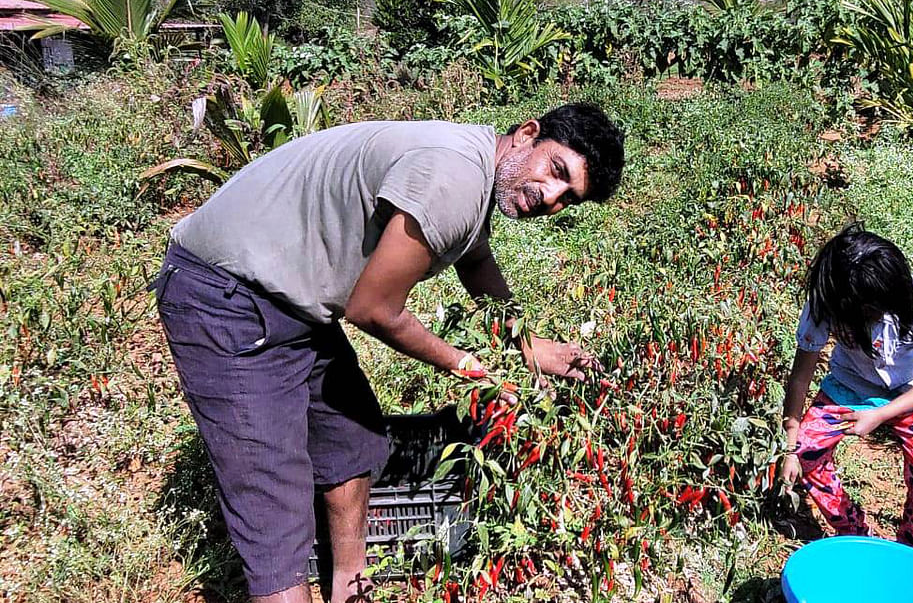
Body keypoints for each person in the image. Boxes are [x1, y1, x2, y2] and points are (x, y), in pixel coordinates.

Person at [149, 104, 625, 602]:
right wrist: (469, 368)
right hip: (226, 295)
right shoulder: (454, 177)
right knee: (273, 499)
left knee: (350, 441)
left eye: (568, 198)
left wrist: (528, 346)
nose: (550, 197)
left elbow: (475, 258)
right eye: (556, 172)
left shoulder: (480, 165)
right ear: (528, 135)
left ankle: (349, 586)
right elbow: (374, 309)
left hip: (291, 298)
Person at [778, 223, 913, 553]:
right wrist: (791, 448)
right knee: (808, 451)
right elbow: (800, 377)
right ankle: (856, 534)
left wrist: (880, 414)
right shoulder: (826, 302)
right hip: (849, 386)